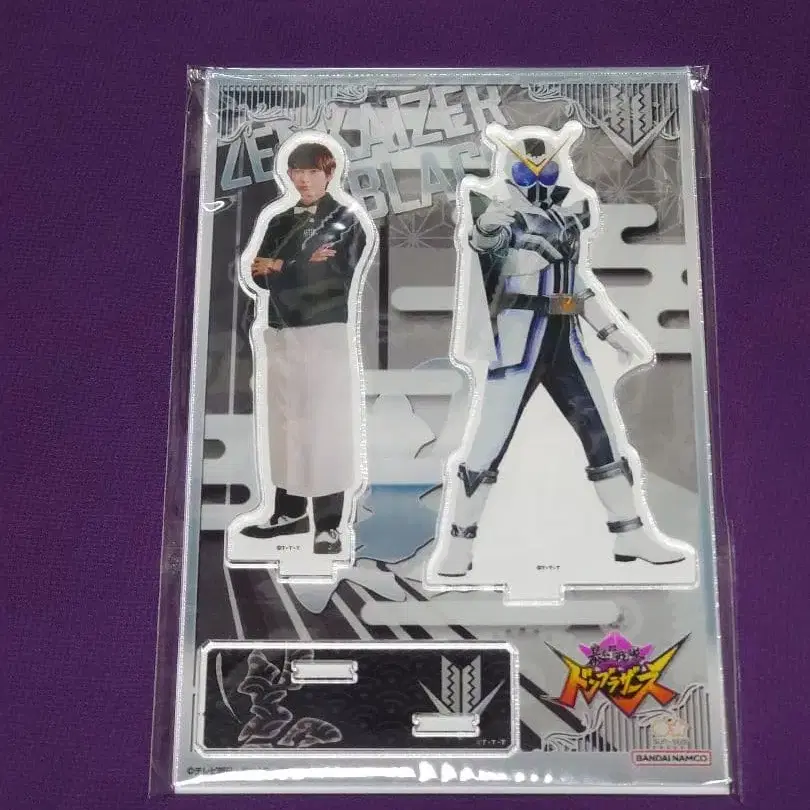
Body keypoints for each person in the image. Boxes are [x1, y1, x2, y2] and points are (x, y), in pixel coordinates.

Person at [434, 130, 687, 576]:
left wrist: (613, 333)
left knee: (602, 435)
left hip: (565, 340)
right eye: (527, 167)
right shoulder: (499, 213)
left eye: (545, 166)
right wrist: (487, 226)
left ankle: (630, 533)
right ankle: (458, 544)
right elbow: (485, 246)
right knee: (488, 442)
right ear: (511, 168)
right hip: (516, 341)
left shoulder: (569, 216)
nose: (536, 174)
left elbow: (576, 283)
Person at [241, 140, 370, 555]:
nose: (303, 179)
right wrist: (298, 266)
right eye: (296, 171)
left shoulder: (346, 219)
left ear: (329, 174)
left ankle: (328, 526)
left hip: (324, 330)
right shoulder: (279, 220)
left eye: (312, 171)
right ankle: (288, 512)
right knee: (286, 423)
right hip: (281, 329)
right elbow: (256, 273)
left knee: (326, 425)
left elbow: (333, 277)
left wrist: (281, 267)